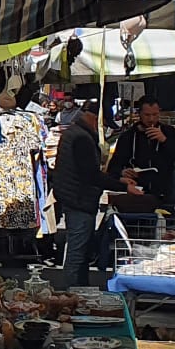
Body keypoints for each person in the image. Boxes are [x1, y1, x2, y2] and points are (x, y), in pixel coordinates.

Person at [52, 100, 108, 288]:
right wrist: (122, 185)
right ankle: (71, 295)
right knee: (77, 253)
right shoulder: (82, 138)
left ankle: (78, 293)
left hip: (73, 198)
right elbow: (91, 174)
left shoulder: (74, 133)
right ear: (95, 119)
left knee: (79, 252)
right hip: (79, 200)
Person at [103, 99, 175, 211]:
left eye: (155, 114)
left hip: (164, 195)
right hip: (137, 195)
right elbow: (113, 168)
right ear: (139, 114)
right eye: (147, 115)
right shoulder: (128, 136)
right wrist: (122, 172)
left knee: (164, 224)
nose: (151, 119)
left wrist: (164, 140)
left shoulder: (169, 132)